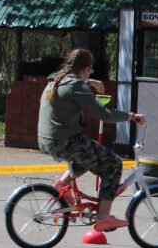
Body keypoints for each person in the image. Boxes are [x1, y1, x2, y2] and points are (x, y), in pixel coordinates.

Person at [38, 48, 145, 232]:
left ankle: (62, 185)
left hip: (47, 140)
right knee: (113, 164)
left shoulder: (57, 79)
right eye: (90, 72)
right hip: (66, 141)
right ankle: (103, 218)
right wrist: (131, 116)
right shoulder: (76, 86)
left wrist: (90, 81)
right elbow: (103, 114)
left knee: (90, 155)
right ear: (86, 68)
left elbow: (71, 85)